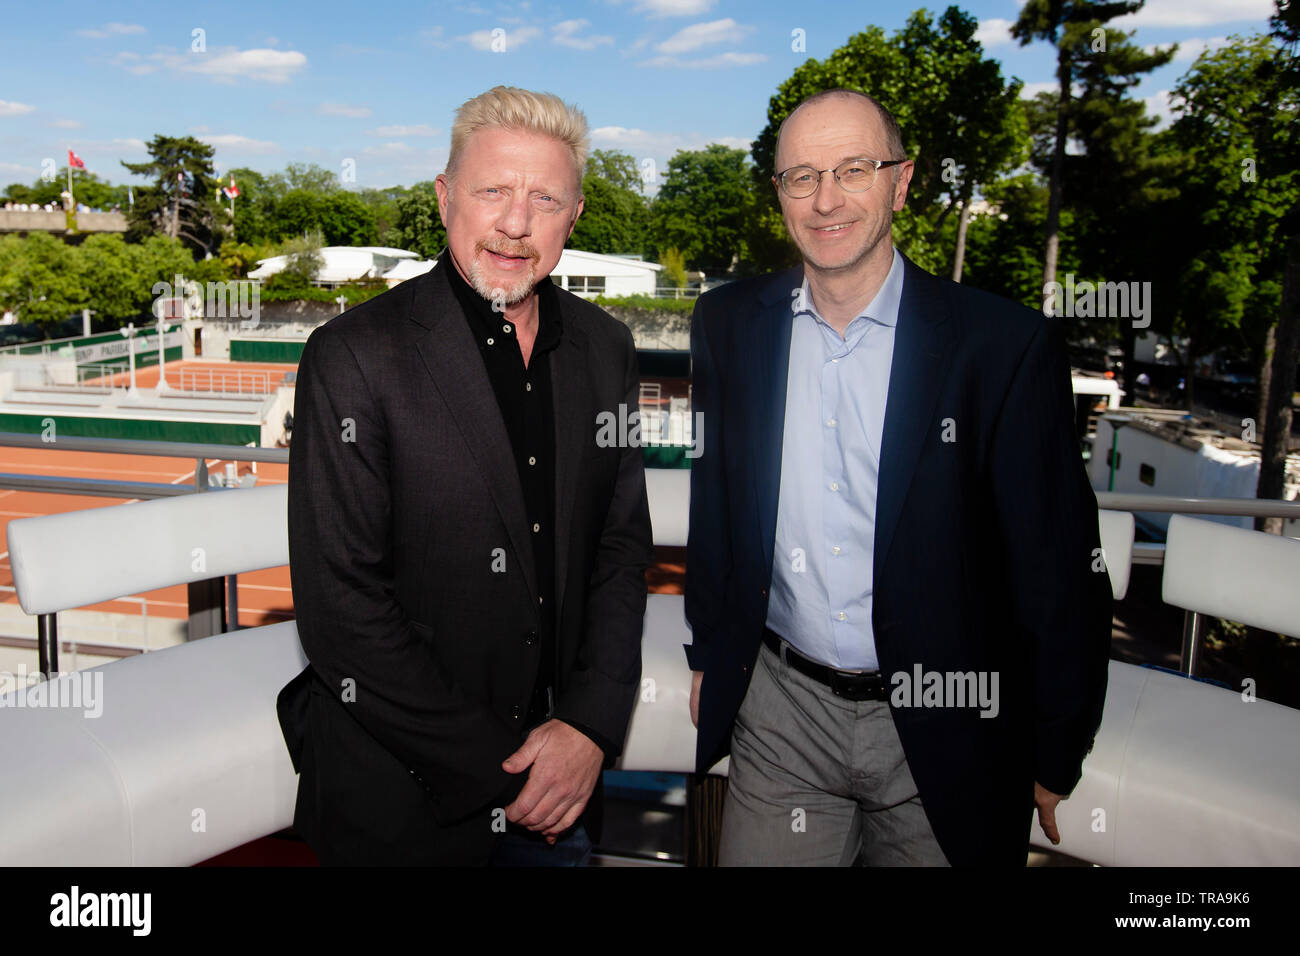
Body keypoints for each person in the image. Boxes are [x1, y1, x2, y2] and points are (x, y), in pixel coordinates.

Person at [685, 88, 1112, 866]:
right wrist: (709, 653)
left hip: (948, 726)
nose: (825, 200)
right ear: (777, 191)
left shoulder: (1002, 346)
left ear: (903, 182)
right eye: (800, 177)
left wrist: (1056, 746)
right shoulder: (728, 324)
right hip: (780, 714)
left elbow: (1056, 566)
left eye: (854, 169)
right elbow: (716, 503)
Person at [276, 85, 653, 866]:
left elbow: (619, 549)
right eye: (494, 192)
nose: (516, 224)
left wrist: (587, 727)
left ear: (573, 218)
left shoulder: (606, 347)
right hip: (401, 804)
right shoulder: (354, 354)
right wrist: (505, 772)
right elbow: (343, 611)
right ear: (445, 198)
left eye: (544, 199)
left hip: (562, 784)